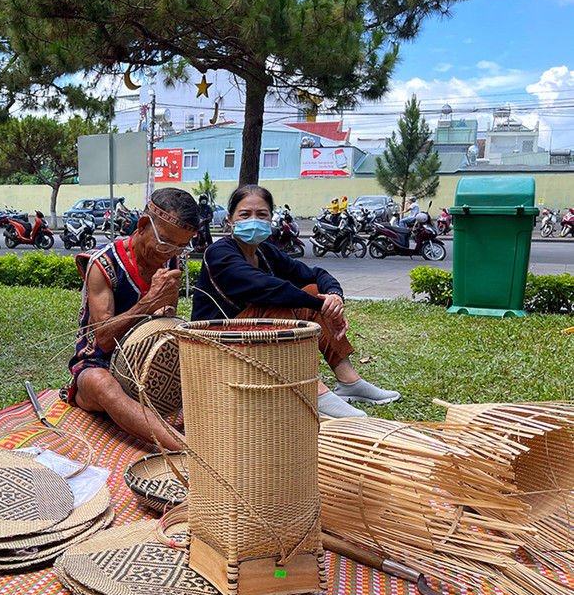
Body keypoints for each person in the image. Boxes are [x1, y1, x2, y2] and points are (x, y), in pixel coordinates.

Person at [191, 184, 400, 419]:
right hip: (215, 344)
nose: (254, 220)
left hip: (249, 341)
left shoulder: (267, 252)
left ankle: (349, 382)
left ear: (271, 218)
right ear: (229, 220)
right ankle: (313, 391)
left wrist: (333, 297)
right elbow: (264, 288)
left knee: (313, 291)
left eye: (262, 214)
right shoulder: (219, 252)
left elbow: (315, 274)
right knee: (277, 304)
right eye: (245, 214)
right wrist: (319, 304)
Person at [61, 188, 199, 450]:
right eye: (166, 243)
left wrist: (166, 312)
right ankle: (186, 449)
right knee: (100, 384)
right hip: (98, 365)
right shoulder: (103, 264)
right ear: (144, 225)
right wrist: (149, 302)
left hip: (147, 366)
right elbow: (101, 338)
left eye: (182, 246)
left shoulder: (170, 261)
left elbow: (165, 321)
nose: (171, 253)